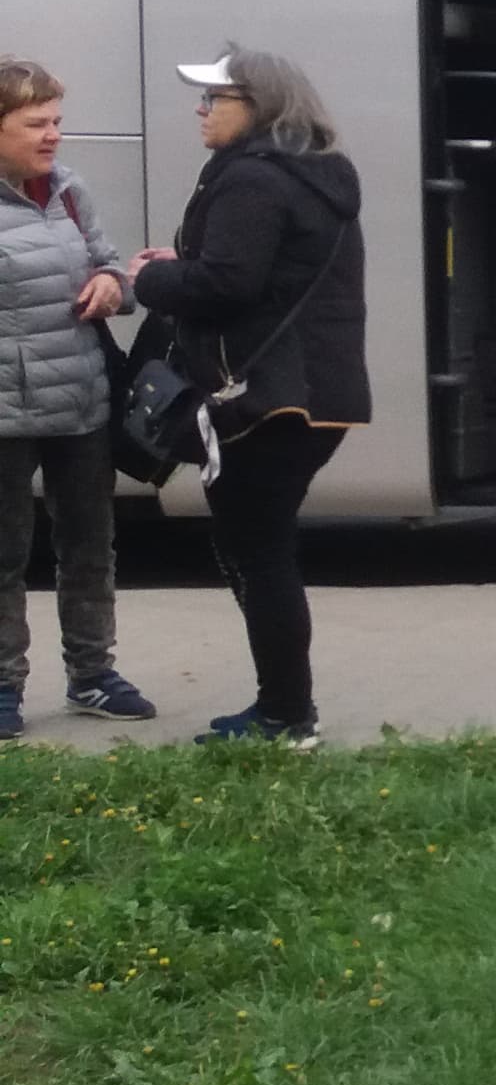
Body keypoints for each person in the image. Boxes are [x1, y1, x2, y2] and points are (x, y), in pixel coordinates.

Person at [130, 50, 370, 748]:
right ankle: (284, 710)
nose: (201, 110)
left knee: (259, 553)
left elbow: (227, 284)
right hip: (317, 396)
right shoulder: (316, 173)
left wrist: (148, 281)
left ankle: (285, 716)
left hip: (267, 399)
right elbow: (264, 274)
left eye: (215, 98)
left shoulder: (252, 179)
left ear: (259, 105)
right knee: (256, 545)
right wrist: (186, 266)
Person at [0, 59, 156, 738]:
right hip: (5, 412)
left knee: (90, 547)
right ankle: (3, 686)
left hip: (82, 402)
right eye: (37, 123)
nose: (53, 135)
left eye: (57, 121)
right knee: (5, 555)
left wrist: (113, 284)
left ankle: (93, 674)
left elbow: (108, 261)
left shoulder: (68, 189)